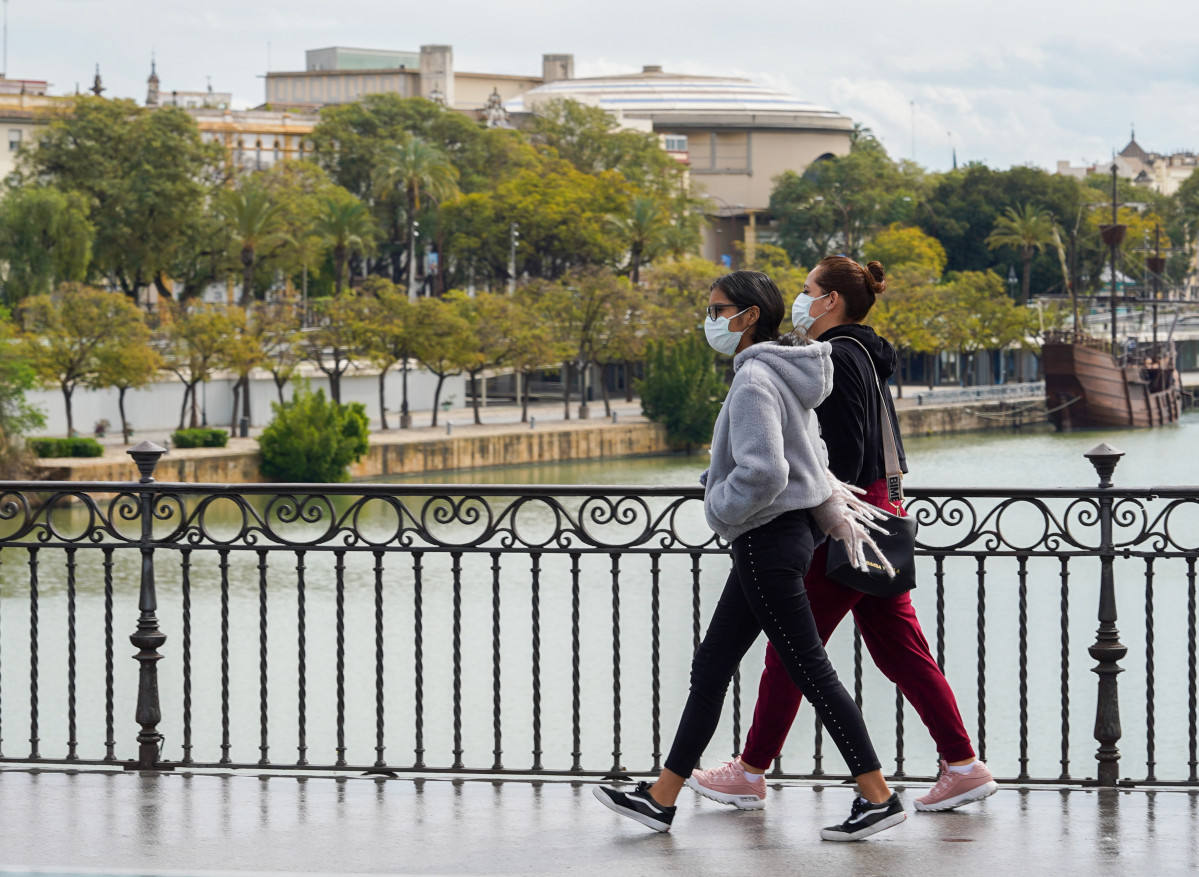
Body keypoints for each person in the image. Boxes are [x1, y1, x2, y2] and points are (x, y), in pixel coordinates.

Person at [594, 270, 907, 842]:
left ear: (747, 317)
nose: (709, 319)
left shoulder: (756, 380)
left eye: (717, 310)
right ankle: (661, 798)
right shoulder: (786, 375)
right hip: (779, 539)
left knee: (810, 670)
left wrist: (718, 503)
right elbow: (811, 456)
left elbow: (766, 471)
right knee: (712, 666)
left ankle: (879, 797)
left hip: (766, 540)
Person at [687, 255, 997, 813]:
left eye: (808, 289)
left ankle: (752, 770)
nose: (800, 299)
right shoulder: (864, 356)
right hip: (876, 514)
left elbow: (844, 452)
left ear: (830, 301)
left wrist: (816, 509)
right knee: (900, 649)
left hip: (845, 521)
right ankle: (963, 764)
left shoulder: (840, 358)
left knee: (792, 651)